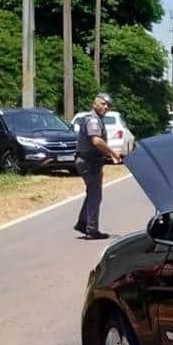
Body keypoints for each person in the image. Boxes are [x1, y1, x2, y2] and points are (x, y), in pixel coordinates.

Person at [74, 93, 121, 239]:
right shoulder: (92, 120)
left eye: (108, 105)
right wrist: (113, 153)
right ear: (95, 104)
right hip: (88, 162)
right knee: (95, 195)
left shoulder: (96, 119)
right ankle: (92, 230)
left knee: (92, 193)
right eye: (103, 104)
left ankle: (84, 223)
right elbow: (96, 141)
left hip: (91, 161)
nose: (106, 107)